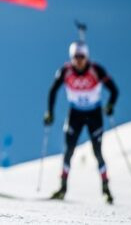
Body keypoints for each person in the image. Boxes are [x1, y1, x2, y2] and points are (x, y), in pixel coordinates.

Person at [44, 40, 118, 203]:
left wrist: (110, 105)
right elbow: (53, 90)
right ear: (71, 57)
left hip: (94, 114)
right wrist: (50, 112)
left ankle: (106, 189)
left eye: (82, 56)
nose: (79, 60)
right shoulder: (65, 71)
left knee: (97, 152)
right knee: (68, 150)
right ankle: (63, 188)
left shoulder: (96, 70)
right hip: (75, 114)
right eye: (75, 56)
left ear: (87, 56)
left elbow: (114, 89)